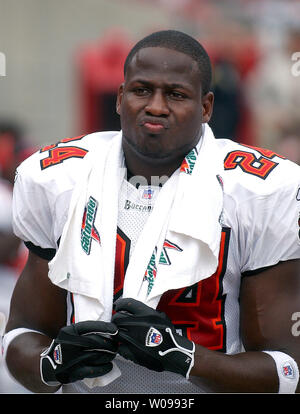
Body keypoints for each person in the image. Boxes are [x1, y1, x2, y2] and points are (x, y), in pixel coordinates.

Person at [2, 30, 300, 394]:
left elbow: (289, 370)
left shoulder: (257, 191)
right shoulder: (60, 179)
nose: (156, 106)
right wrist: (50, 364)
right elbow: (22, 333)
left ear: (205, 107)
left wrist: (187, 357)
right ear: (120, 97)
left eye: (175, 94)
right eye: (142, 90)